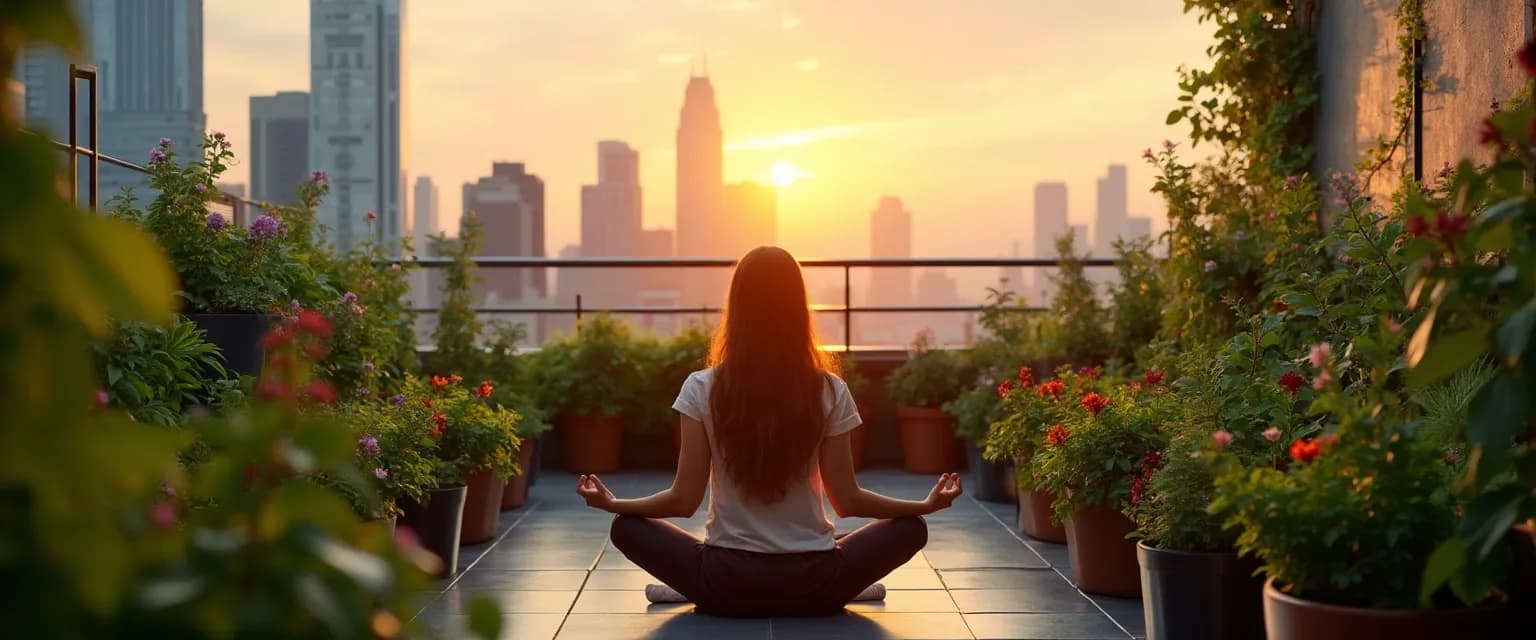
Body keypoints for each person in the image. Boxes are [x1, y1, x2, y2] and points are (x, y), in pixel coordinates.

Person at [575, 245, 963, 618]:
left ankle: (688, 587)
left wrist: (615, 505)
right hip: (816, 586)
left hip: (724, 586)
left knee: (626, 528)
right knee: (910, 529)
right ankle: (849, 585)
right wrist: (923, 507)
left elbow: (683, 500)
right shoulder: (829, 389)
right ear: (798, 309)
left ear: (736, 309)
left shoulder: (701, 387)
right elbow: (848, 500)